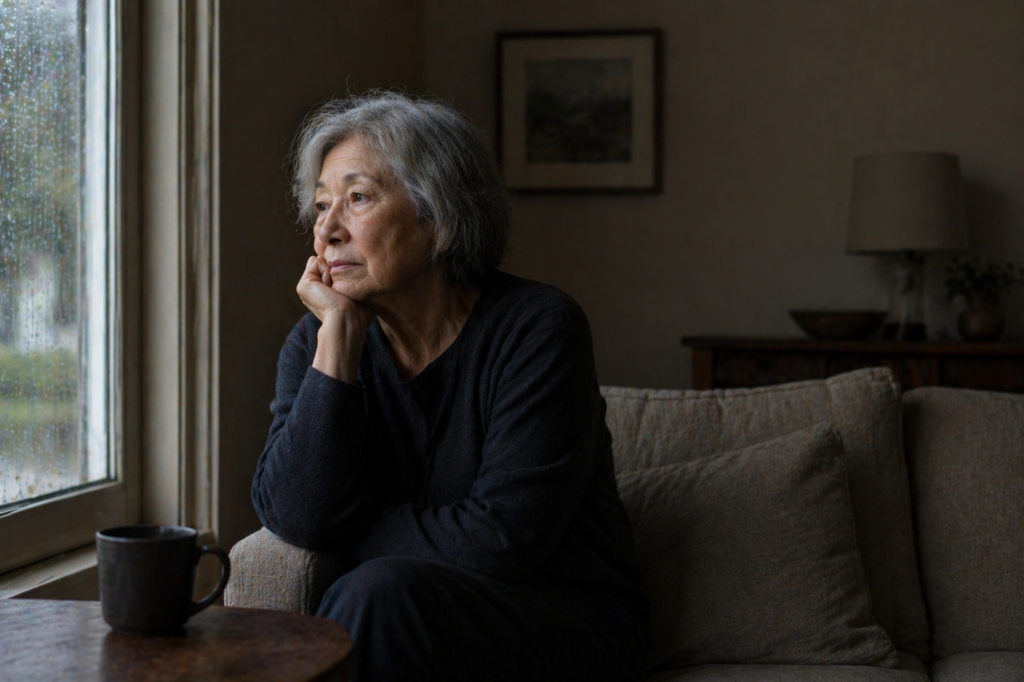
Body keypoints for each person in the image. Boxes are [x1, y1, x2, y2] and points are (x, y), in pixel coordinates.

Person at [251, 91, 649, 681]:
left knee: (377, 594)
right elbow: (294, 514)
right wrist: (338, 339)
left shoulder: (538, 328)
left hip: (560, 618)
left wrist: (353, 521)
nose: (326, 231)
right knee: (375, 596)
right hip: (394, 618)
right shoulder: (316, 343)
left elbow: (502, 541)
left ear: (438, 216)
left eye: (357, 199)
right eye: (320, 206)